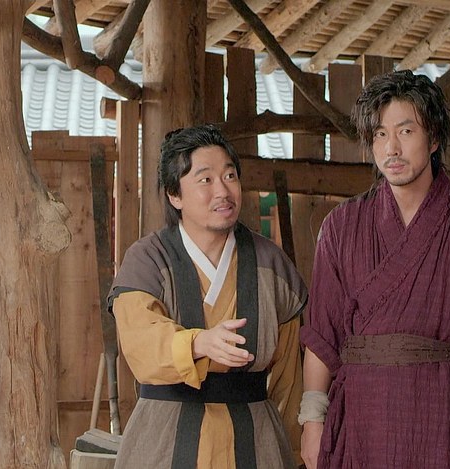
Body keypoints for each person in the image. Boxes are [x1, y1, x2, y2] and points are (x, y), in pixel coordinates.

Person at [298, 70, 450, 469]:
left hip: (441, 416)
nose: (392, 148)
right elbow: (321, 335)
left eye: (406, 131)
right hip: (360, 417)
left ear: (433, 139)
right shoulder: (340, 227)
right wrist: (312, 421)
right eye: (380, 134)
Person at [107, 125, 308, 468]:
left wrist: (294, 451)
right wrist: (198, 343)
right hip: (163, 445)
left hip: (256, 444)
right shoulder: (148, 260)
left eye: (230, 176)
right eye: (205, 180)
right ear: (175, 195)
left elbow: (290, 381)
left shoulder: (271, 263)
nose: (223, 191)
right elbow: (141, 342)